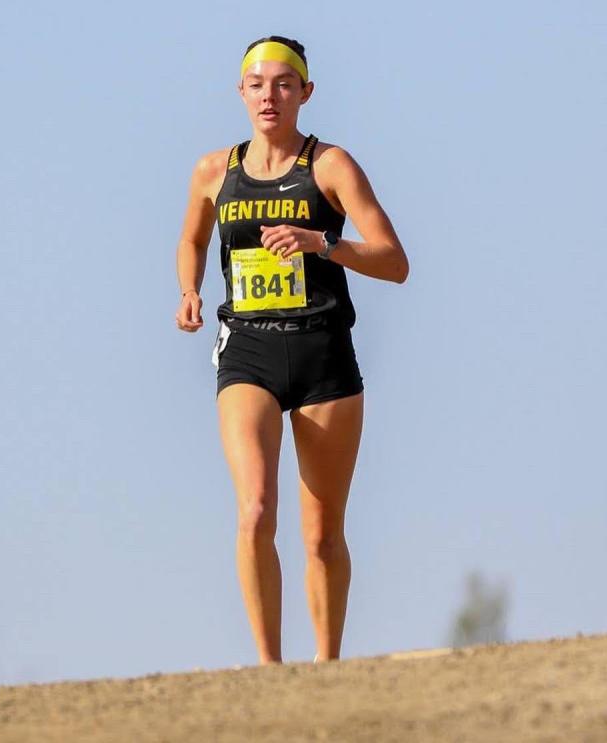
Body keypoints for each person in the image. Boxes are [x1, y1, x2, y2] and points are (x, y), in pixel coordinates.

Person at [174, 35, 408, 663]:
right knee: (254, 511)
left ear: (305, 92)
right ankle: (269, 668)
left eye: (283, 84)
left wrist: (323, 244)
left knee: (322, 533)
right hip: (246, 351)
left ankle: (326, 667)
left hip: (323, 356)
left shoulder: (330, 166)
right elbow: (193, 239)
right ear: (240, 93)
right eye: (256, 84)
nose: (269, 96)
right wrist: (190, 291)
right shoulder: (212, 171)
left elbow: (395, 261)